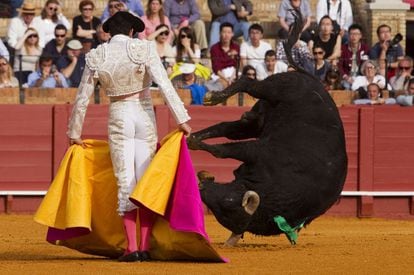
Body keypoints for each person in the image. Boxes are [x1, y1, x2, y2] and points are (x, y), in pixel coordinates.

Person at [67, 11, 191, 262]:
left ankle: (131, 248)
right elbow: (165, 85)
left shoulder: (96, 55)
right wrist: (182, 119)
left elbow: (82, 98)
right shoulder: (144, 49)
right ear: (133, 31)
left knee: (126, 181)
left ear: (108, 32)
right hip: (144, 116)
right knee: (145, 182)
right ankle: (145, 247)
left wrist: (74, 132)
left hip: (119, 115)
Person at [209, 22, 240, 89]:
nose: (226, 35)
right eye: (224, 32)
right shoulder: (214, 48)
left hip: (234, 74)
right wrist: (226, 80)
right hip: (220, 75)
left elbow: (237, 65)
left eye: (229, 32)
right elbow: (216, 68)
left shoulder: (236, 47)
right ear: (220, 33)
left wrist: (231, 78)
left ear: (232, 34)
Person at [339, 23, 370, 90]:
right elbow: (339, 65)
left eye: (356, 34)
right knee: (346, 86)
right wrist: (346, 77)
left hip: (361, 77)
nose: (353, 37)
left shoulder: (365, 48)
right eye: (351, 34)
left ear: (360, 36)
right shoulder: (343, 48)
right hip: (347, 77)